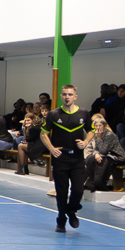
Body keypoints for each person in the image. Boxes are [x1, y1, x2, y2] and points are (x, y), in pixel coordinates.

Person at [41, 85, 93, 233]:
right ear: (61, 96)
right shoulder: (53, 114)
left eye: (70, 94)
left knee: (78, 189)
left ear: (75, 97)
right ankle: (61, 220)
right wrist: (51, 148)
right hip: (60, 158)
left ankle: (72, 210)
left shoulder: (84, 113)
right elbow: (43, 134)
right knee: (61, 192)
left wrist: (85, 142)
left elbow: (91, 131)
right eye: (64, 94)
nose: (67, 97)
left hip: (77, 158)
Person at [83, 114, 125, 192]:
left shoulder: (109, 135)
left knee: (102, 159)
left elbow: (103, 151)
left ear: (104, 126)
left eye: (99, 125)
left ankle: (99, 182)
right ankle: (91, 182)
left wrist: (98, 139)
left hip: (116, 156)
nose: (97, 127)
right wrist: (96, 154)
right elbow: (95, 149)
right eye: (96, 125)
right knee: (91, 158)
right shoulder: (96, 133)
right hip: (104, 155)